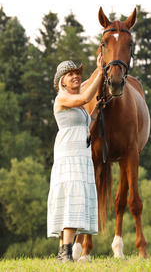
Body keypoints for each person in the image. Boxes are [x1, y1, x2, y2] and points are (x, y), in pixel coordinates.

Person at [47, 55, 103, 263]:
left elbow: (84, 126)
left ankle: (64, 252)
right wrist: (100, 72)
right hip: (69, 154)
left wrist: (95, 112)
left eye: (78, 74)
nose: (76, 77)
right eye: (70, 74)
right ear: (61, 80)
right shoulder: (62, 98)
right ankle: (66, 251)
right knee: (72, 198)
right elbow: (85, 98)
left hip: (81, 154)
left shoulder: (78, 106)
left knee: (73, 200)